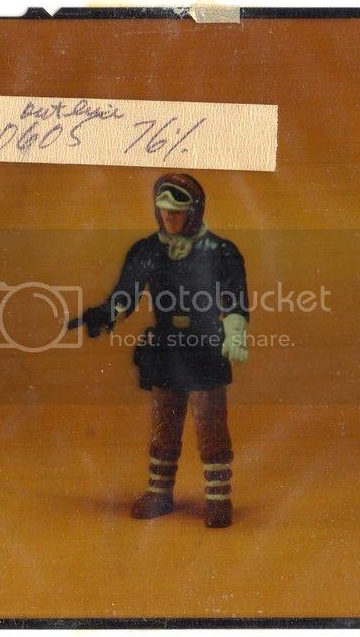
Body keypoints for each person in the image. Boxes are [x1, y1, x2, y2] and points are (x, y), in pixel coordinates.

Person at [79, 173, 249, 528]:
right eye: (164, 211)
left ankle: (218, 498)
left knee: (210, 420)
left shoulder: (221, 251)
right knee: (164, 420)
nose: (170, 217)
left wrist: (234, 334)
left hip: (205, 346)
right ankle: (159, 492)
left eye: (178, 211)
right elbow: (126, 293)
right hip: (166, 346)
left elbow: (235, 300)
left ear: (194, 211)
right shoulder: (147, 250)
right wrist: (107, 315)